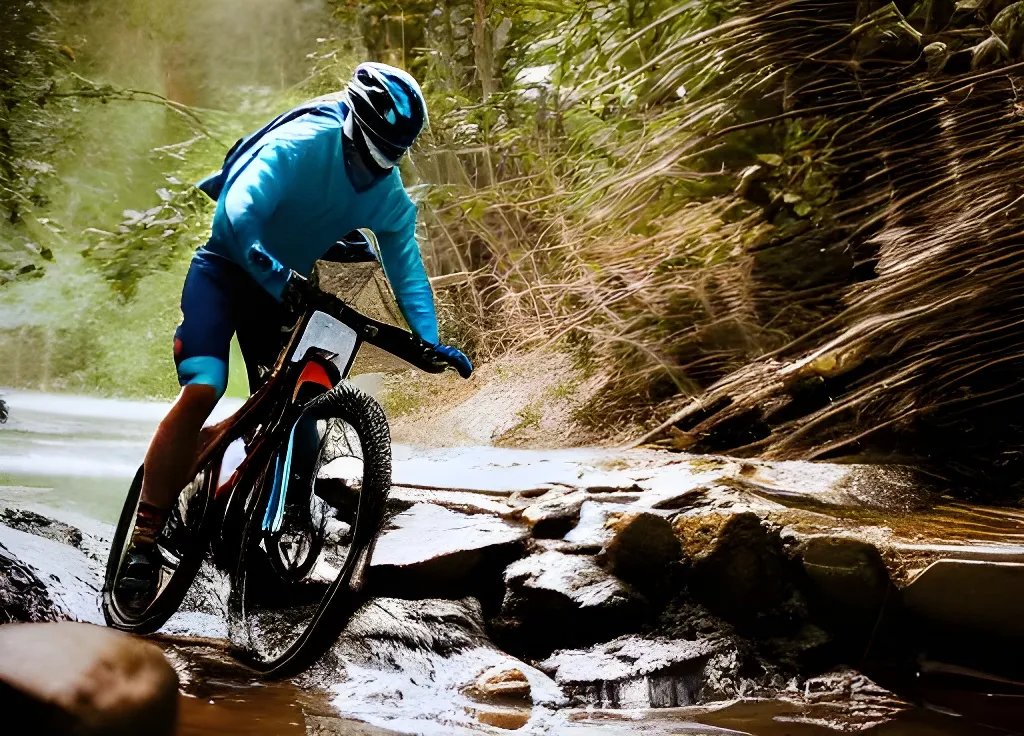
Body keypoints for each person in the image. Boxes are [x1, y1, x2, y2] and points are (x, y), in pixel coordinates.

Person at [116, 63, 472, 605]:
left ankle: (260, 526)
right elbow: (237, 213)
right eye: (364, 153)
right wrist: (268, 267)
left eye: (386, 160)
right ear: (350, 127)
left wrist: (429, 339)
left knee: (297, 412)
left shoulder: (387, 192)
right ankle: (142, 540)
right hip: (226, 271)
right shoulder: (303, 142)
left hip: (285, 293)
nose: (370, 170)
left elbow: (406, 265)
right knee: (204, 387)